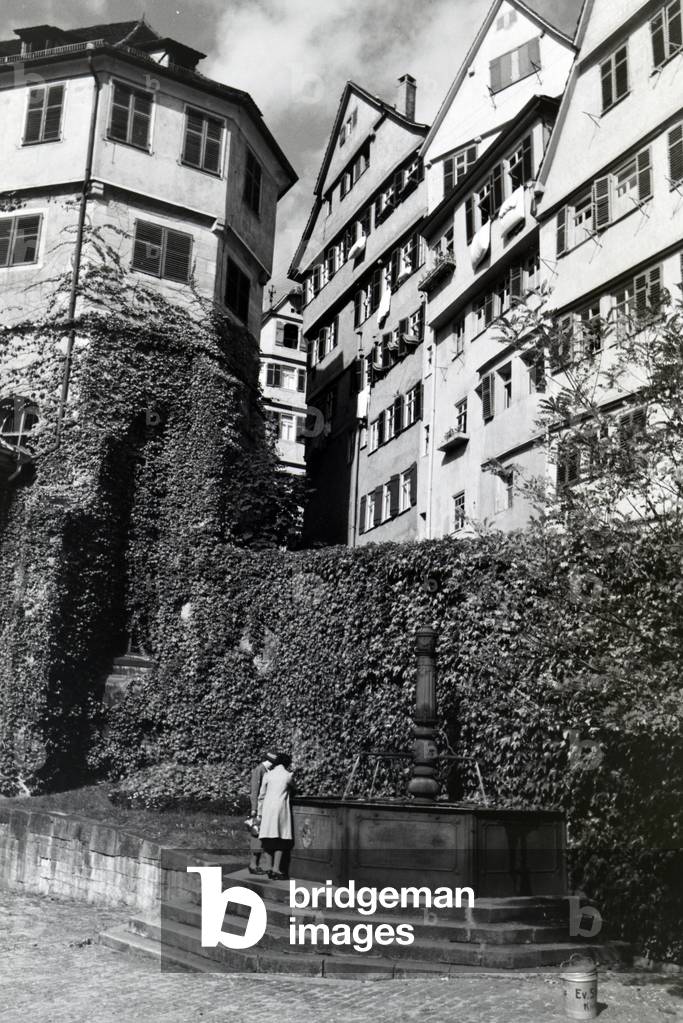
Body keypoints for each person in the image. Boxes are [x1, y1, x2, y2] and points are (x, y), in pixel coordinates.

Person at [258, 752, 294, 880]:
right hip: (280, 809)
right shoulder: (288, 776)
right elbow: (293, 789)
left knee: (267, 837)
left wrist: (259, 813)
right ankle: (276, 868)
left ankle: (268, 867)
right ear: (287, 763)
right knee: (280, 838)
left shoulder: (268, 775)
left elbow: (261, 795)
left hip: (268, 808)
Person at [248, 750, 277, 874]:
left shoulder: (267, 771)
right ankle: (253, 864)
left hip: (265, 808)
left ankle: (257, 864)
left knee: (261, 837)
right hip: (259, 808)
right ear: (268, 761)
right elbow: (254, 791)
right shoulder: (259, 770)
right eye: (272, 762)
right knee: (257, 836)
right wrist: (254, 808)